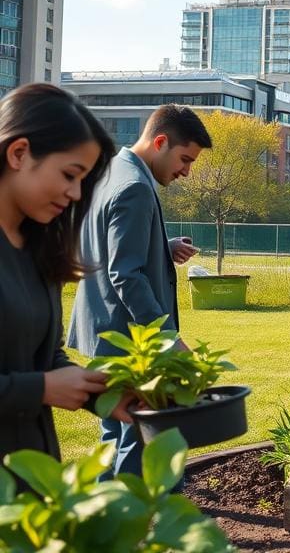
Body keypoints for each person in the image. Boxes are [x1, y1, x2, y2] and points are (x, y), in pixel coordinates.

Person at [68, 104, 211, 479]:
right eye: (184, 159)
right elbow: (126, 275)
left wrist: (161, 245)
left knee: (116, 436)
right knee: (140, 434)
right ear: (160, 141)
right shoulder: (135, 187)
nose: (186, 170)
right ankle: (122, 521)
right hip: (130, 340)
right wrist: (167, 338)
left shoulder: (113, 170)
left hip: (103, 329)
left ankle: (104, 513)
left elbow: (106, 247)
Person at [0, 84, 134, 465]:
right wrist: (40, 389)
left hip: (33, 485)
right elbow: (39, 380)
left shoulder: (36, 248)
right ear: (19, 153)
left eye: (83, 181)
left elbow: (41, 355)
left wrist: (102, 393)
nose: (76, 194)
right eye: (69, 174)